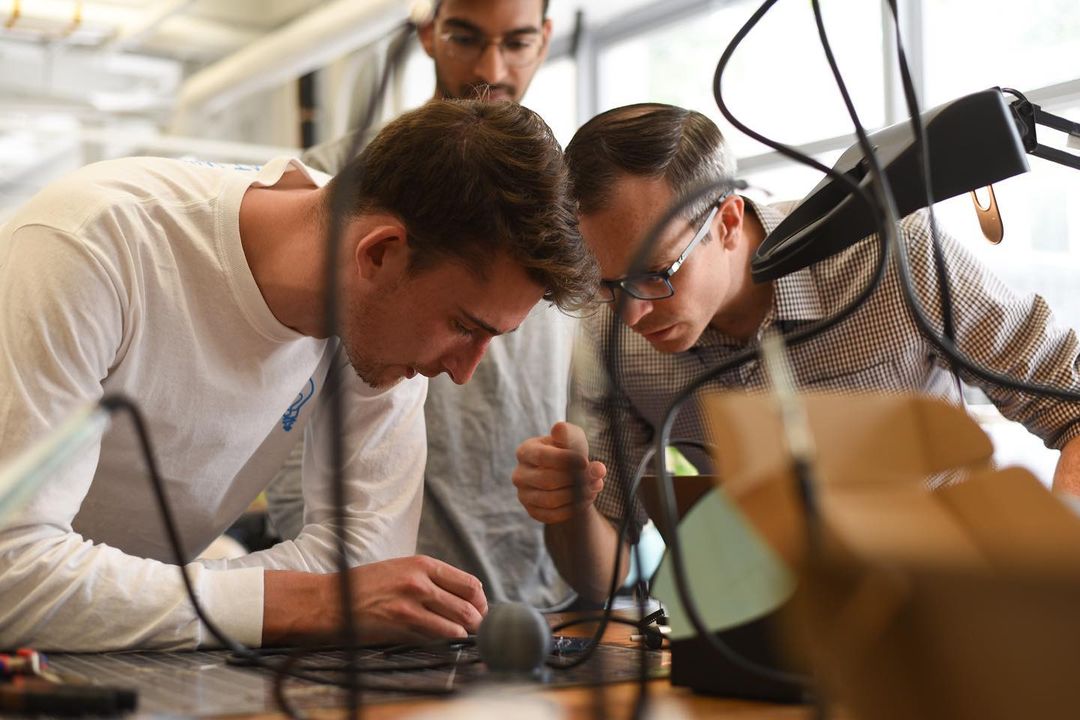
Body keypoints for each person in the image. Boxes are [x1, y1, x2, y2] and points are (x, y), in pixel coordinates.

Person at [0, 100, 595, 651]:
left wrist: (150, 599)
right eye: (465, 326)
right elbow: (12, 575)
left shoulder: (374, 310)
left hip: (108, 653)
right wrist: (303, 599)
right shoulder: (89, 246)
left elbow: (365, 559)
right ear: (379, 253)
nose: (462, 372)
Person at [511, 102, 1080, 602]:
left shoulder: (891, 255)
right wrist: (570, 508)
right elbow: (605, 575)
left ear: (728, 221)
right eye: (606, 285)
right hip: (771, 639)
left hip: (952, 608)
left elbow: (1072, 403)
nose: (630, 315)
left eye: (655, 276)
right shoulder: (607, 329)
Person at [269, 0, 577, 609]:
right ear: (428, 33)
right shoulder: (341, 181)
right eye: (467, 38)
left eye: (516, 43)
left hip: (534, 585)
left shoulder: (561, 205)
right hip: (367, 581)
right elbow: (276, 387)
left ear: (543, 41)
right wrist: (317, 579)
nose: (492, 68)